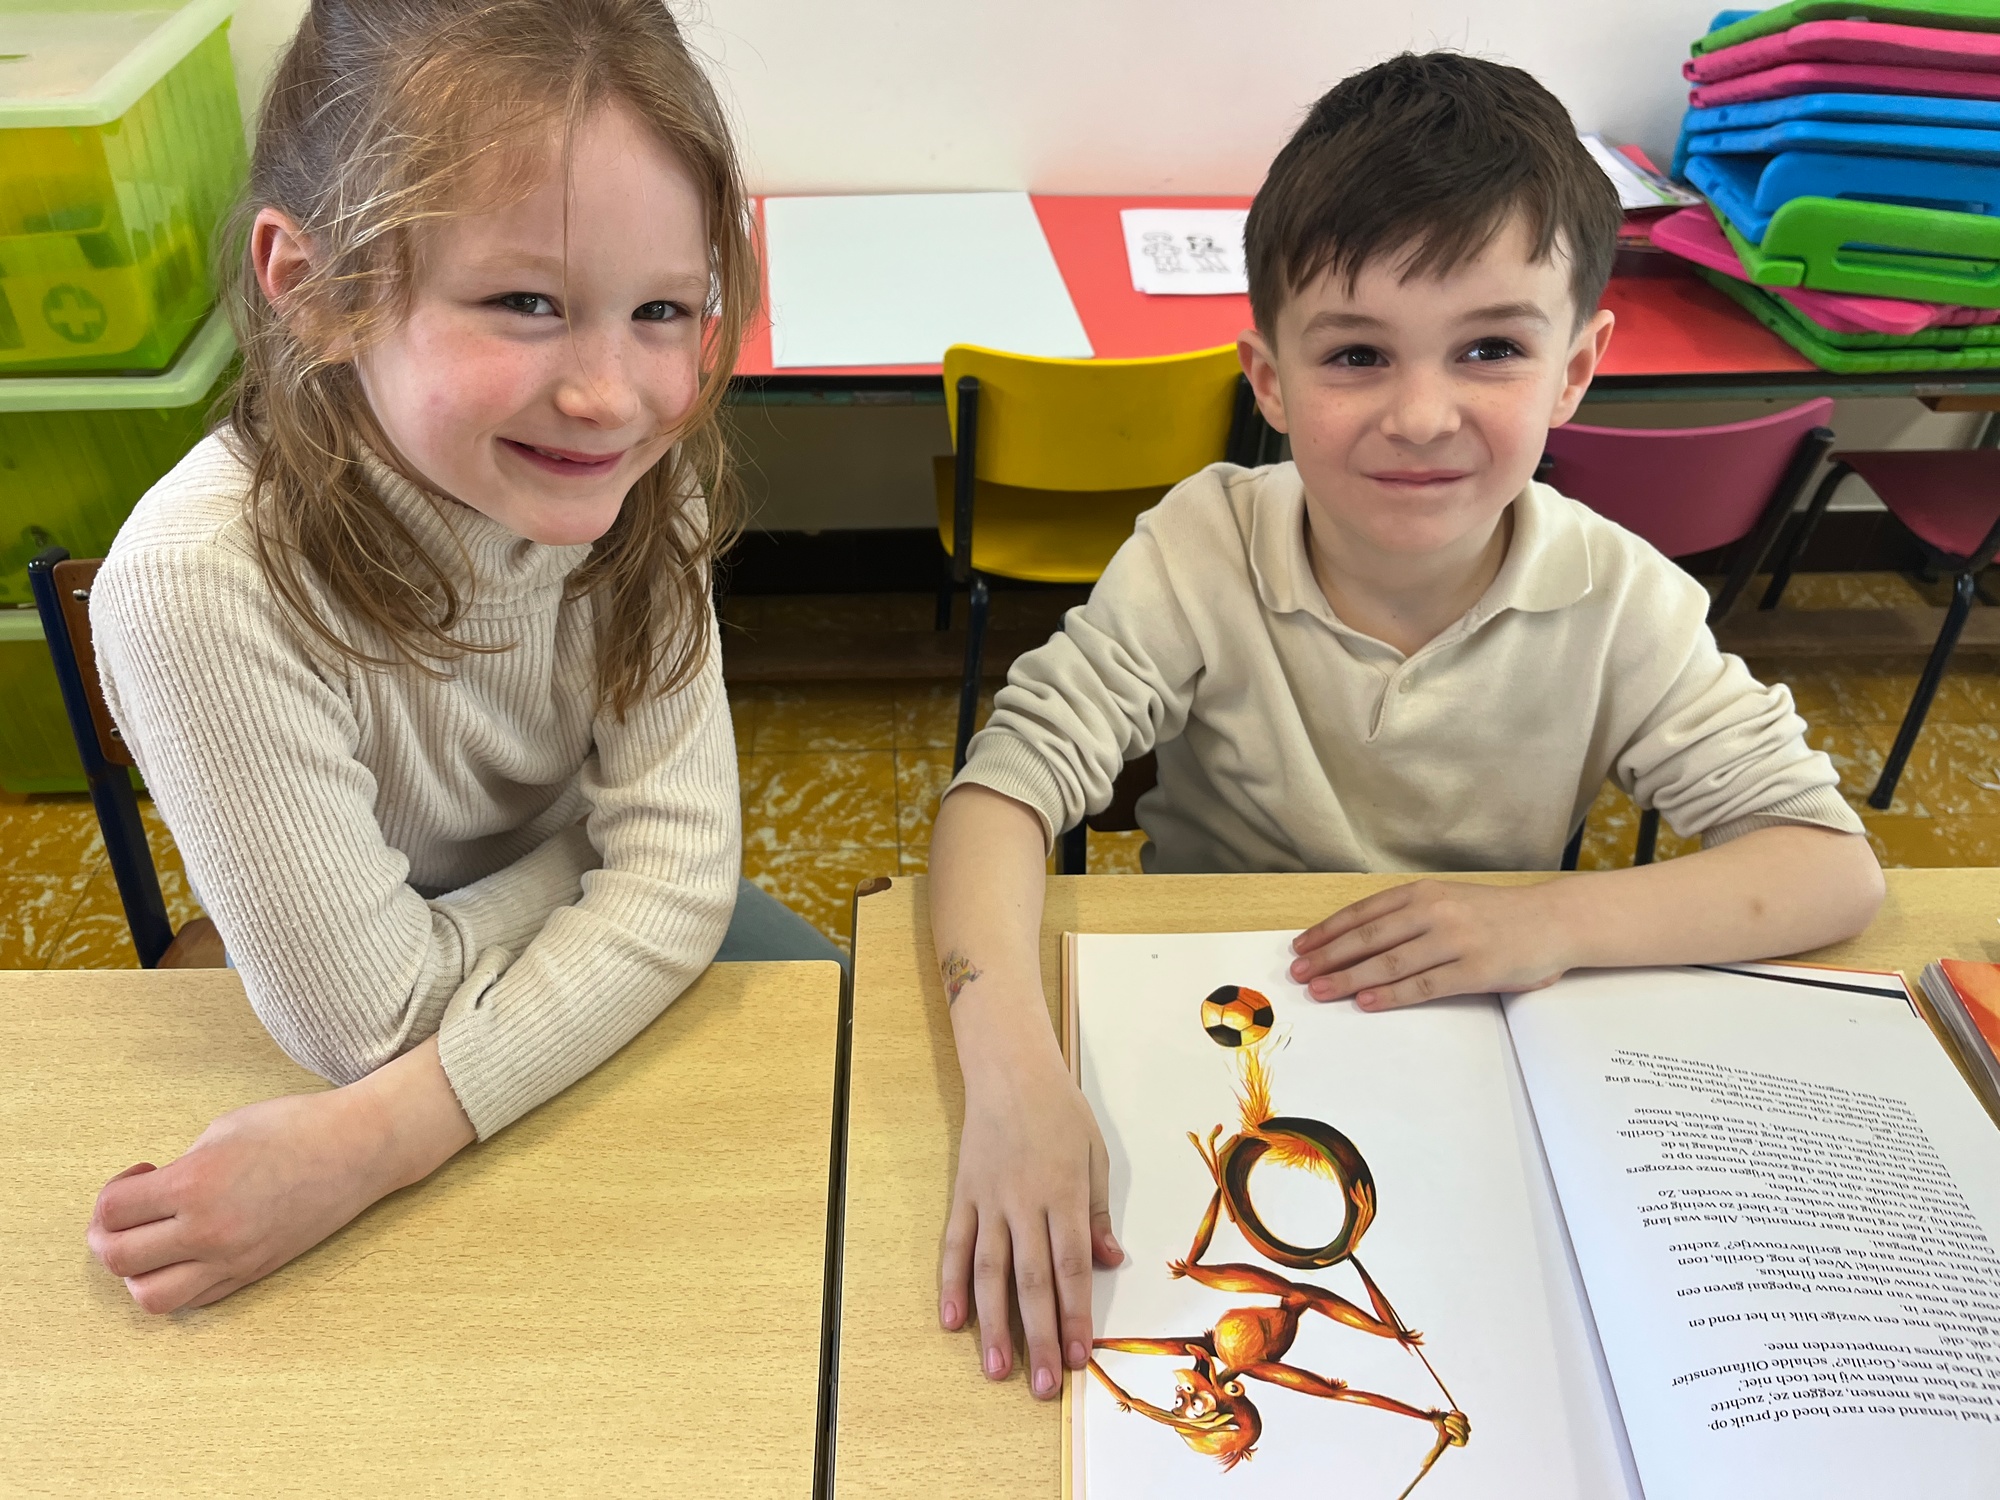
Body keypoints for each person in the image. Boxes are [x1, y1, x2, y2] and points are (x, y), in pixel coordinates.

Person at [927, 52, 1885, 1403]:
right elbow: (1002, 790)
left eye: (1490, 348)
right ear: (1268, 378)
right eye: (1357, 354)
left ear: (1576, 368)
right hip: (1216, 1027)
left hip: (1485, 1045)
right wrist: (1015, 1075)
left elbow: (1830, 866)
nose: (1423, 415)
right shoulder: (1202, 549)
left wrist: (1551, 922)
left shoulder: (1620, 600)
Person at [82, 0, 838, 1316]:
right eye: (525, 302)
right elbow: (373, 1022)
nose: (612, 396)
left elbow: (686, 884)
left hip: (500, 1029)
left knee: (852, 1136)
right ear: (314, 286)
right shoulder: (200, 582)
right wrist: (624, 861)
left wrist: (378, 1141)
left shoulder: (639, 484)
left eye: (664, 308)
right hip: (420, 1013)